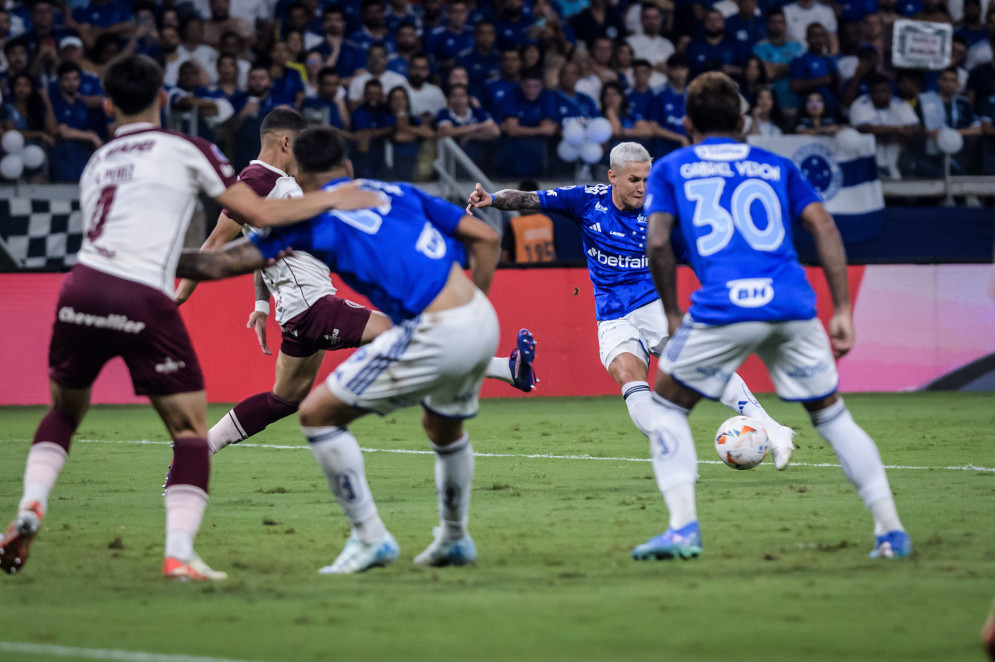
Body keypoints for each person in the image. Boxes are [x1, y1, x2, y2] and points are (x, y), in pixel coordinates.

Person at [0, 55, 382, 581]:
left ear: (106, 105)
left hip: (80, 286)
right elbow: (256, 221)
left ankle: (32, 503)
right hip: (140, 293)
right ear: (163, 98)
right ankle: (179, 553)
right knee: (189, 431)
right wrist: (341, 199)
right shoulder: (191, 149)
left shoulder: (97, 162)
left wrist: (250, 298)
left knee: (64, 412)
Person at [174, 126, 504, 574]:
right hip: (479, 318)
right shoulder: (397, 190)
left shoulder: (309, 220)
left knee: (316, 414)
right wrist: (476, 308)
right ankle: (453, 538)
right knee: (442, 428)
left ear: (302, 179)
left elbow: (219, 263)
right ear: (347, 167)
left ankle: (370, 537)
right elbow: (486, 238)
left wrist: (148, 255)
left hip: (432, 328)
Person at [638, 71, 911, 562]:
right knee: (832, 416)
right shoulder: (774, 163)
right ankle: (890, 530)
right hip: (791, 304)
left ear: (686, 123)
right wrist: (843, 307)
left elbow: (658, 242)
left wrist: (674, 311)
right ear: (742, 121)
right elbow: (823, 225)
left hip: (723, 307)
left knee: (668, 408)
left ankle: (682, 528)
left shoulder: (672, 166)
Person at [175, 108, 536, 458]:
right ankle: (506, 368)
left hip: (298, 310)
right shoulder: (256, 181)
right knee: (412, 332)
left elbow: (261, 247)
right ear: (286, 143)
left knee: (284, 399)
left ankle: (201, 448)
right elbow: (216, 246)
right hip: (313, 307)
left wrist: (259, 305)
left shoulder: (278, 186)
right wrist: (178, 296)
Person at [467, 142, 796, 471]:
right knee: (628, 376)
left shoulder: (662, 214)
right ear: (613, 177)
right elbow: (528, 199)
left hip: (652, 306)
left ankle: (773, 429)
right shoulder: (586, 200)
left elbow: (699, 259)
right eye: (634, 180)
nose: (643, 187)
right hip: (611, 315)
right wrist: (491, 199)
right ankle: (673, 448)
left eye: (647, 179)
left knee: (704, 367)